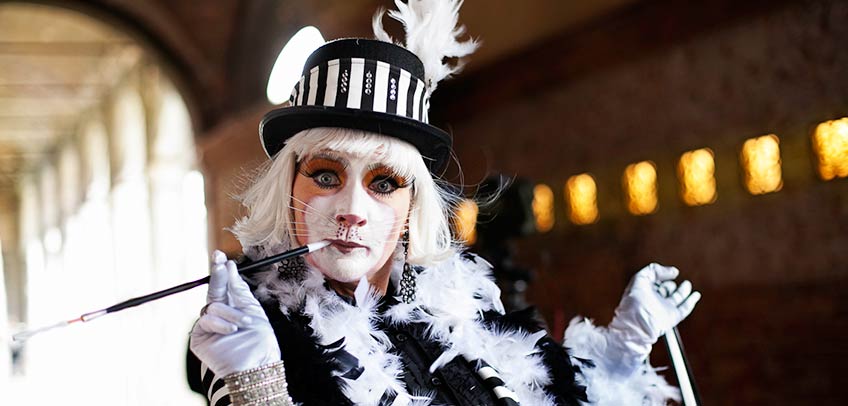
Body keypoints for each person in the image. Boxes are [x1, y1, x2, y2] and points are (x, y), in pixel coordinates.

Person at [187, 1, 701, 405]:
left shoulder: (459, 308)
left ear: (413, 207)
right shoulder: (258, 337)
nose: (351, 209)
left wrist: (622, 350)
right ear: (290, 187)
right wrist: (257, 390)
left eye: (384, 183)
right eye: (326, 174)